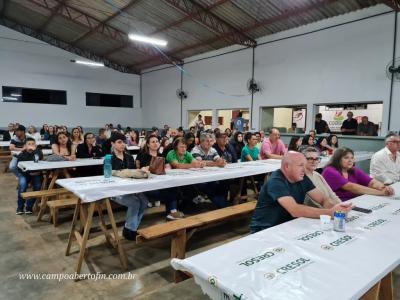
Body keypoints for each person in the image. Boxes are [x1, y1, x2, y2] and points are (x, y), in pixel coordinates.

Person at [250, 151, 353, 233]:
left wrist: (337, 210)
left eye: (304, 165)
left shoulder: (302, 178)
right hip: (265, 230)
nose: (304, 169)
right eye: (300, 165)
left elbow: (322, 199)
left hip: (288, 226)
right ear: (287, 166)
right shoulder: (276, 181)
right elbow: (295, 210)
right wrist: (329, 213)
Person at [108, 132, 148, 240]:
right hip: (115, 191)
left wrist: (142, 171)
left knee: (144, 201)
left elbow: (134, 172)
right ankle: (131, 230)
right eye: (119, 142)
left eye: (124, 142)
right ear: (112, 144)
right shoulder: (109, 158)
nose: (122, 144)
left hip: (132, 189)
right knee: (134, 202)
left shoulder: (129, 157)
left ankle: (130, 228)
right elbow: (108, 176)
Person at [136, 135, 184, 220]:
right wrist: (143, 169)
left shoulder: (161, 155)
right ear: (148, 144)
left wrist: (167, 167)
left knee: (173, 188)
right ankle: (172, 212)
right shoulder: (142, 155)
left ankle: (171, 212)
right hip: (147, 184)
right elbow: (137, 169)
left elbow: (167, 168)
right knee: (171, 192)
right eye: (153, 142)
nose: (155, 143)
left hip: (160, 183)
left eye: (157, 141)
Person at [322, 147, 395, 201]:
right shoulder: (330, 171)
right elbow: (352, 187)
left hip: (354, 200)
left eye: (352, 158)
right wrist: (381, 193)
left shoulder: (353, 170)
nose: (350, 160)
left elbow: (371, 182)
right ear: (338, 159)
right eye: (346, 158)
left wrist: (383, 187)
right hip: (337, 203)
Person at [191, 133, 228, 208]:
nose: (210, 143)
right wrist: (217, 163)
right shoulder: (195, 150)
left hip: (211, 176)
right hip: (198, 178)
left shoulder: (213, 150)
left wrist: (222, 161)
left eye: (211, 141)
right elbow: (201, 162)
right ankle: (221, 204)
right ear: (201, 142)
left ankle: (222, 202)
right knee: (208, 185)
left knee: (225, 181)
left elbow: (218, 159)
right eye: (207, 141)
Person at [15, 138, 43, 215]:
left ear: (36, 145)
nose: (31, 146)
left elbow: (39, 158)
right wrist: (28, 173)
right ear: (25, 146)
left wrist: (35, 150)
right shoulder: (22, 154)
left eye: (33, 144)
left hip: (36, 174)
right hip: (24, 173)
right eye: (29, 144)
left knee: (38, 187)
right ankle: (20, 207)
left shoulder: (38, 152)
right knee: (22, 185)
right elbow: (19, 167)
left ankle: (29, 206)